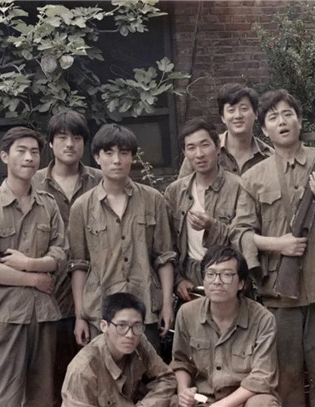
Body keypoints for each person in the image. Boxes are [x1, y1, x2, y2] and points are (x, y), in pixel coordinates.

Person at [232, 89, 315, 406]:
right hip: (279, 290)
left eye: (288, 114)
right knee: (285, 375)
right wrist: (280, 244)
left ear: (300, 121)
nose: (282, 122)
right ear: (264, 129)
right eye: (273, 117)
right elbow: (240, 233)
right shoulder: (253, 176)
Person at [0, 127, 68, 406]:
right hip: (6, 316)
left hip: (43, 315)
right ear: (5, 156)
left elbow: (61, 254)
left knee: (42, 397)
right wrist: (35, 278)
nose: (29, 158)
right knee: (1, 397)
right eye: (21, 151)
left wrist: (29, 263)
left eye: (34, 152)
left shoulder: (48, 204)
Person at [68, 123, 176, 350]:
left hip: (145, 308)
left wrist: (167, 304)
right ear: (97, 157)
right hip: (101, 312)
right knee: (104, 370)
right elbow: (79, 265)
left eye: (124, 153)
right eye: (109, 153)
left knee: (147, 368)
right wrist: (80, 316)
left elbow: (164, 257)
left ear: (132, 157)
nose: (116, 160)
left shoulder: (153, 200)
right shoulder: (82, 207)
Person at [31, 110, 103, 406]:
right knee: (50, 379)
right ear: (50, 143)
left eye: (76, 137)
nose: (70, 144)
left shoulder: (100, 179)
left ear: (85, 142)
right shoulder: (34, 181)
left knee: (94, 377)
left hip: (94, 290)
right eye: (62, 137)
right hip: (49, 293)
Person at [171, 246, 280, 407]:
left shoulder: (263, 319)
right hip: (203, 398)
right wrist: (184, 391)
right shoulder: (187, 313)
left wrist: (221, 406)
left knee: (263, 403)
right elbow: (181, 361)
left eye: (227, 275)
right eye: (211, 274)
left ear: (241, 283)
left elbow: (261, 377)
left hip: (243, 400)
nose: (217, 281)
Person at [165, 118, 245, 302]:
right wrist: (178, 280)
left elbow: (244, 238)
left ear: (217, 147)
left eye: (205, 145)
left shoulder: (239, 187)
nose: (199, 154)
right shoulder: (175, 191)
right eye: (191, 148)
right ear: (185, 153)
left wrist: (212, 226)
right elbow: (167, 244)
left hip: (228, 278)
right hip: (190, 282)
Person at [62, 292, 177, 407]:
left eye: (137, 326)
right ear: (104, 326)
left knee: (176, 400)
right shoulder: (83, 369)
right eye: (121, 326)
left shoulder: (139, 340)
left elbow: (167, 378)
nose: (130, 335)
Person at [178, 83, 272, 178]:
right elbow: (182, 185)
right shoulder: (203, 150)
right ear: (222, 117)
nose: (238, 115)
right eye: (231, 110)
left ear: (256, 114)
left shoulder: (269, 156)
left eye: (244, 109)